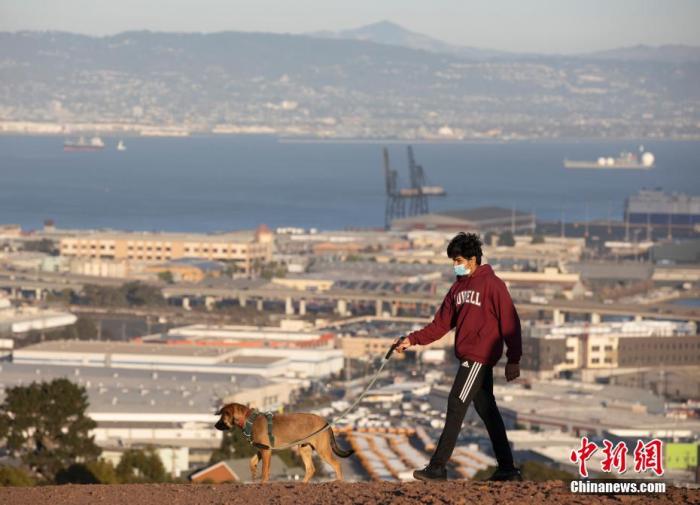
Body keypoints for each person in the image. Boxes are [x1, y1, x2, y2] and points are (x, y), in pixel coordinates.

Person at [393, 232, 523, 482]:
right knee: (488, 410)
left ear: (473, 259)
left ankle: (438, 467)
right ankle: (507, 469)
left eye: (459, 260)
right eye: (453, 260)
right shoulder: (457, 288)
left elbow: (510, 323)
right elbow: (440, 325)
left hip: (479, 357)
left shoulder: (493, 285)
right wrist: (411, 339)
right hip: (469, 355)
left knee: (455, 403)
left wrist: (513, 358)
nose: (456, 265)